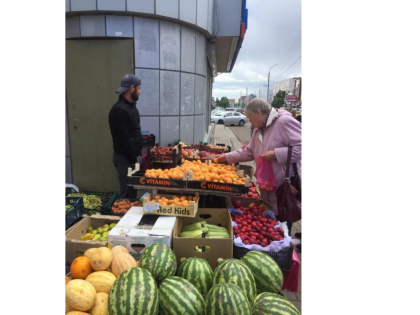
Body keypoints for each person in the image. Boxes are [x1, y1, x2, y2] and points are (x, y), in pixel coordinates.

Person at [215, 98, 302, 237]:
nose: (249, 121)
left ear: (259, 113)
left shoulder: (283, 122)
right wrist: (226, 157)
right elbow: (249, 151)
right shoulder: (258, 130)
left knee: (283, 224)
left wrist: (276, 153)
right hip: (268, 186)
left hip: (285, 186)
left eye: (249, 117)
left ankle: (286, 248)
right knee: (270, 226)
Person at [109, 74, 143, 198]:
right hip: (126, 159)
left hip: (132, 157)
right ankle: (123, 216)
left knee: (132, 193)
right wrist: (133, 160)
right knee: (127, 196)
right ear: (132, 88)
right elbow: (122, 140)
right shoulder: (119, 110)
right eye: (139, 89)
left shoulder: (130, 107)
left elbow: (133, 131)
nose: (140, 92)